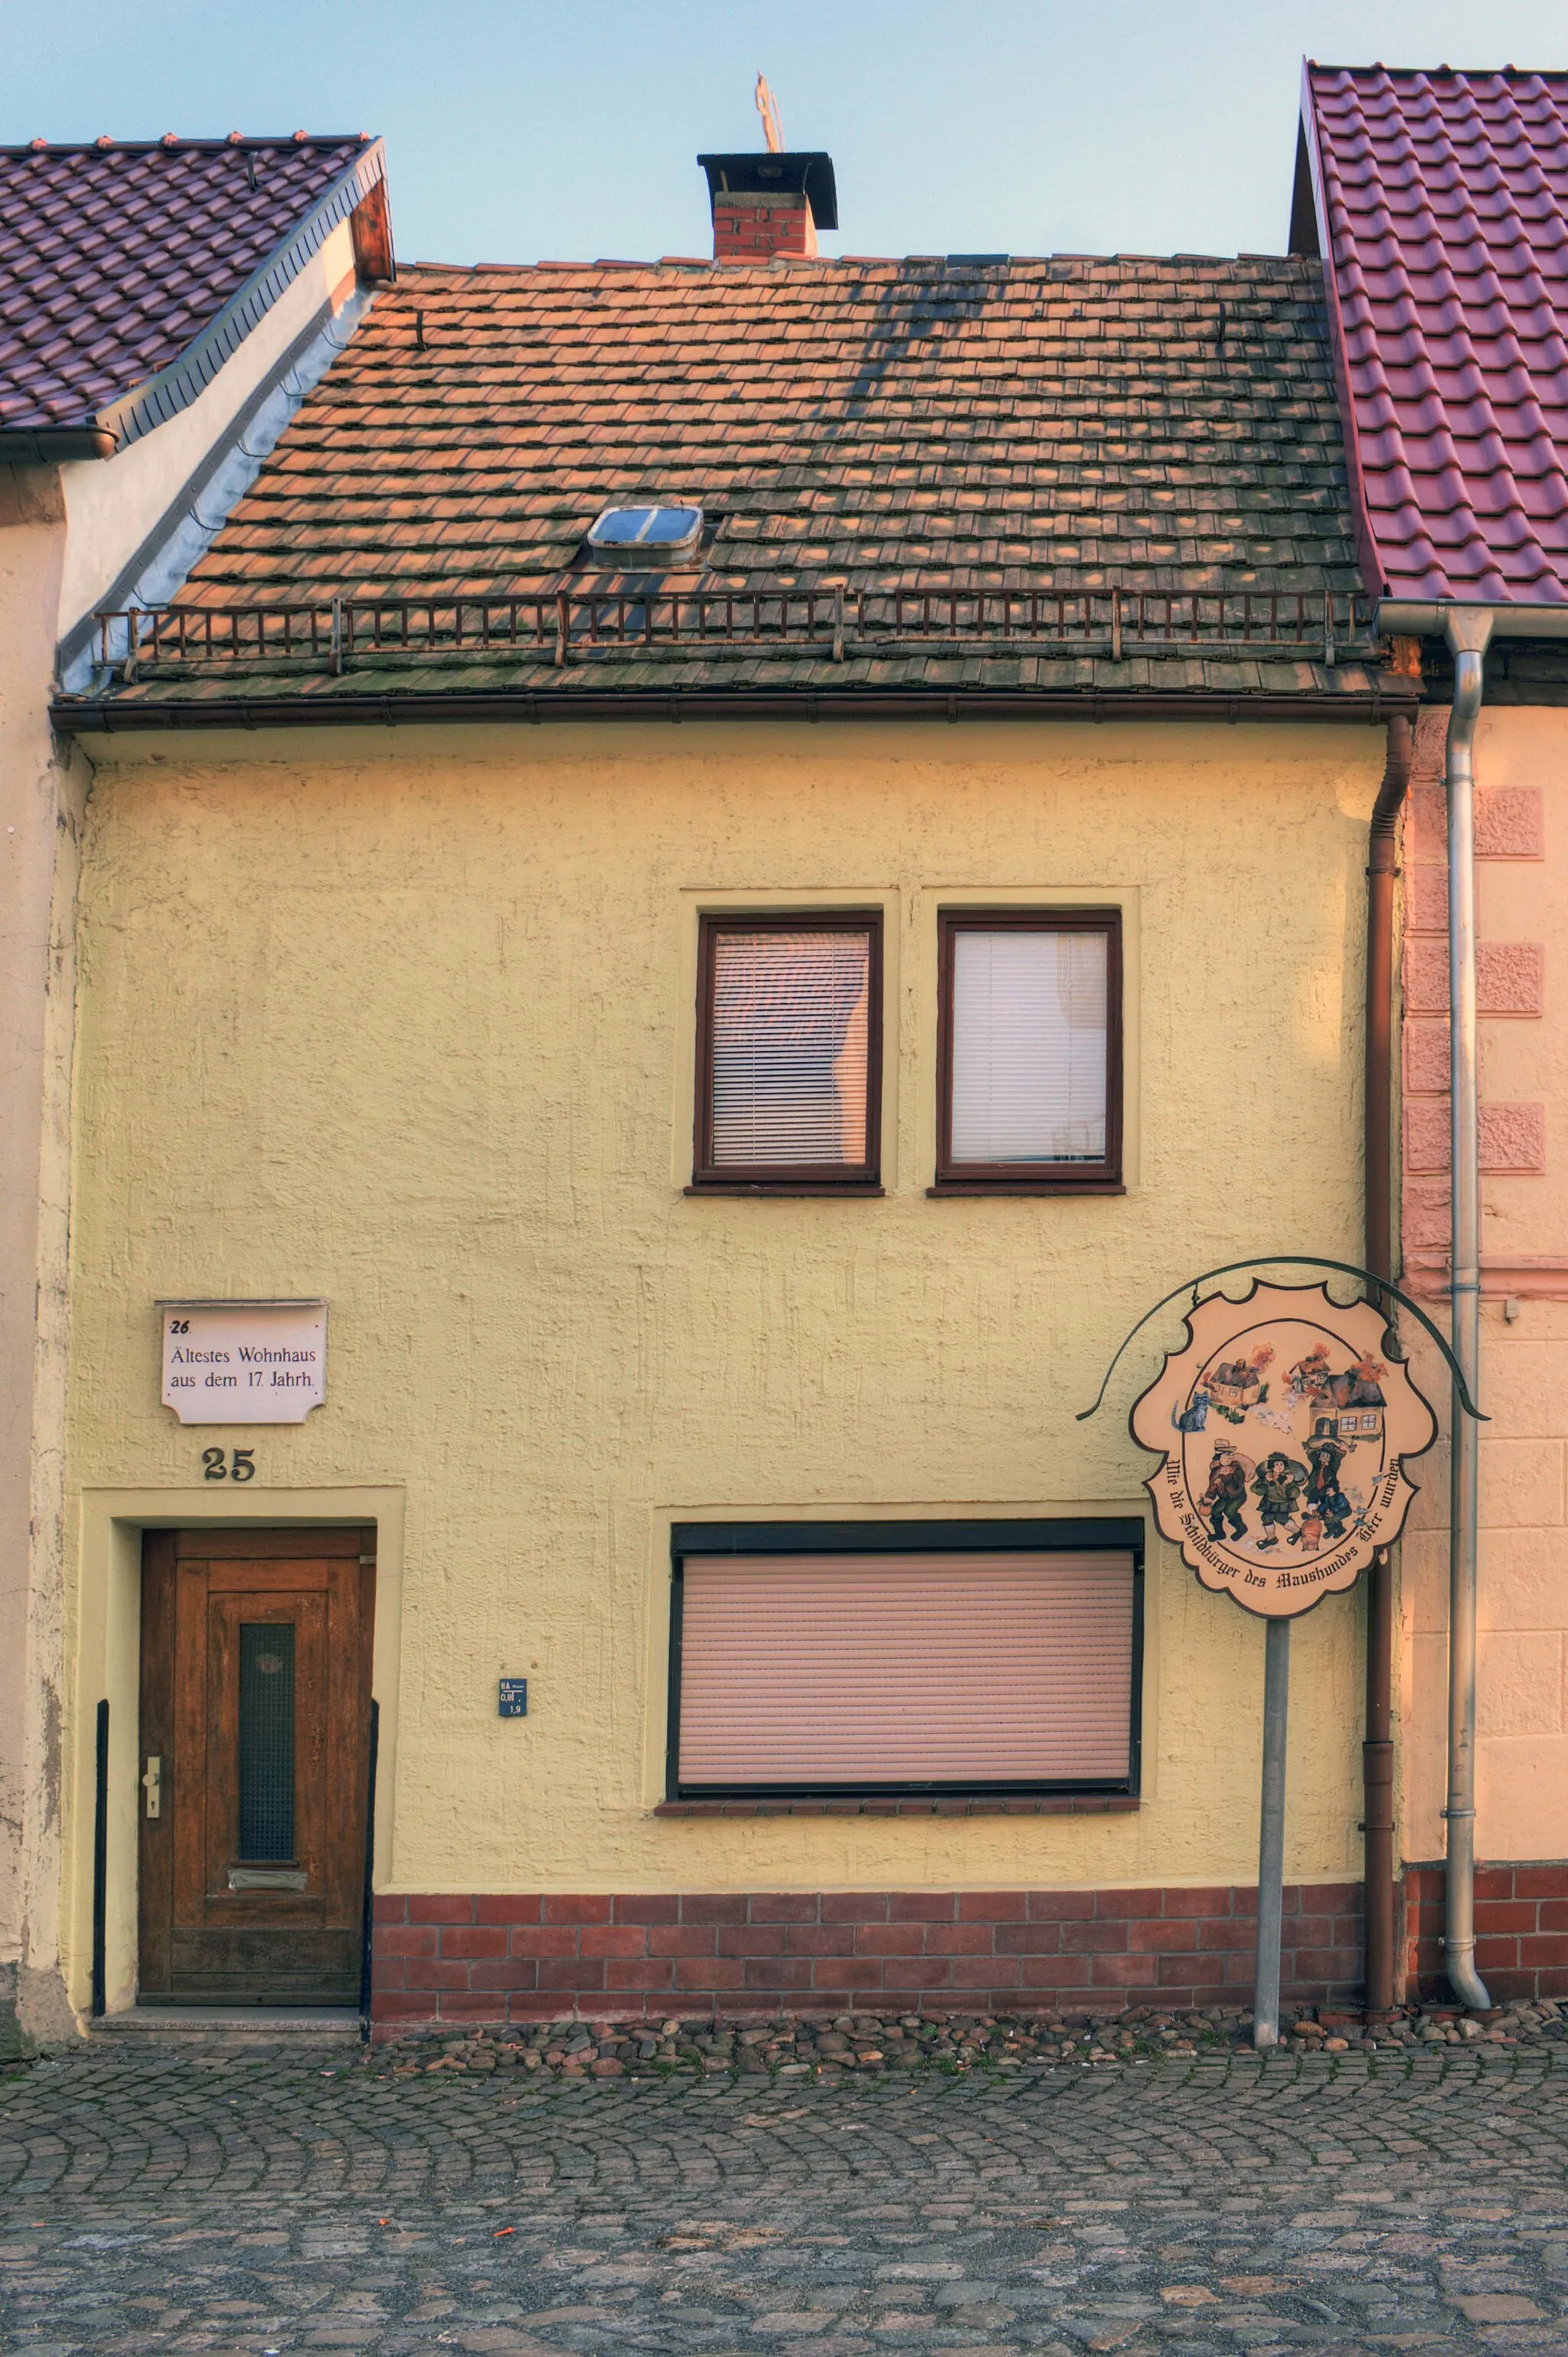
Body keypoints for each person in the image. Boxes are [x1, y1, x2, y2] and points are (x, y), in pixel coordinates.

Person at [1251, 1450, 1307, 1549]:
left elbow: (1295, 1494)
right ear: (1272, 1466)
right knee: (1266, 1518)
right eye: (1276, 1464)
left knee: (1282, 1519)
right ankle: (1271, 1538)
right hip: (1270, 1503)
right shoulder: (1267, 1477)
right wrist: (1265, 1481)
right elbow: (1255, 1489)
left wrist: (1289, 1483)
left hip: (1283, 1504)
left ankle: (1299, 1531)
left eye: (1281, 1464)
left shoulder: (1288, 1478)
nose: (1279, 1467)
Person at [1200, 1445, 1248, 1542]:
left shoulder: (1236, 1468)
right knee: (1215, 1511)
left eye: (1231, 1455)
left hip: (1238, 1496)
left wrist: (1231, 1471)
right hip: (1225, 1497)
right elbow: (1213, 1486)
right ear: (1219, 1457)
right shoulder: (1216, 1472)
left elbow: (1241, 1478)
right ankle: (1220, 1533)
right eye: (1227, 1455)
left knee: (1229, 1511)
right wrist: (1208, 1500)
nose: (1230, 1457)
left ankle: (1241, 1529)